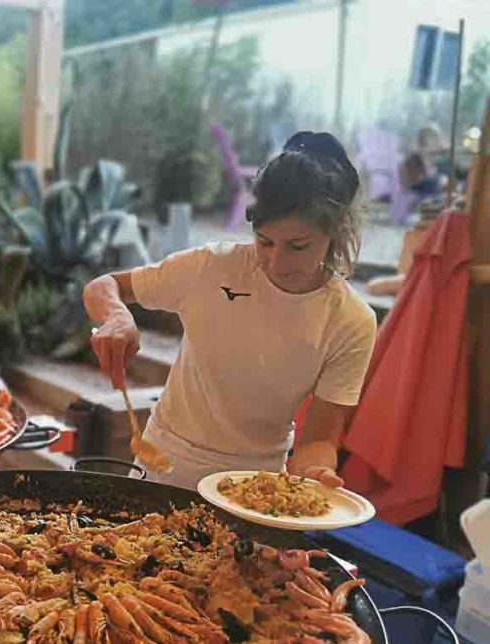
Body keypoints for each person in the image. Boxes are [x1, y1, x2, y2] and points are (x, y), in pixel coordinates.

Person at [84, 131, 377, 490]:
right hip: (166, 465)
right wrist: (117, 316)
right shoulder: (211, 267)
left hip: (254, 484)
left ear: (336, 231)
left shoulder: (350, 320)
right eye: (265, 241)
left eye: (298, 246)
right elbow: (103, 286)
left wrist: (314, 472)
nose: (276, 262)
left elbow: (318, 440)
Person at [399, 123, 446, 199]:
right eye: (435, 137)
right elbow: (408, 191)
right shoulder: (411, 163)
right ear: (426, 139)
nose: (439, 142)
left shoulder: (438, 163)